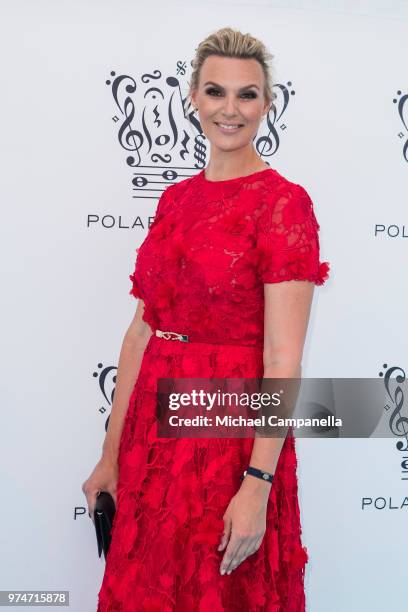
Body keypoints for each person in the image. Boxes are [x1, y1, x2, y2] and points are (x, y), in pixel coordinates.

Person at [82, 26, 330, 611]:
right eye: (216, 92)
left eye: (248, 95)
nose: (231, 109)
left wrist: (258, 483)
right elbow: (142, 330)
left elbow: (282, 358)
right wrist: (111, 455)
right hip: (151, 434)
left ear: (268, 105)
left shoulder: (282, 203)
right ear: (193, 98)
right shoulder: (175, 200)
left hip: (227, 436)